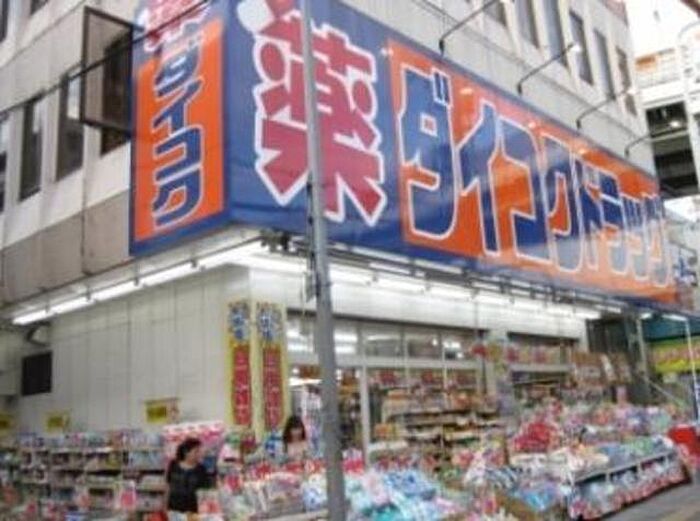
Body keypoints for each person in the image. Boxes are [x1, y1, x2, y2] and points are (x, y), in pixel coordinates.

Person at [166, 438, 212, 514]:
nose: (199, 454)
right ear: (186, 452)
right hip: (173, 508)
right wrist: (165, 507)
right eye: (196, 451)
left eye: (200, 451)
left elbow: (204, 492)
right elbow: (168, 486)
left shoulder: (201, 469)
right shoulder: (173, 464)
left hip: (193, 510)